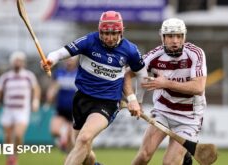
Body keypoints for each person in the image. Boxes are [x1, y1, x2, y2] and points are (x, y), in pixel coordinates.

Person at [41, 10, 147, 165]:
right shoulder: (89, 41)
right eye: (105, 33)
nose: (109, 38)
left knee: (84, 139)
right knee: (82, 150)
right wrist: (50, 60)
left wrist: (137, 100)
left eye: (114, 33)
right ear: (99, 31)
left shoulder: (130, 50)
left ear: (121, 32)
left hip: (107, 102)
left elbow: (142, 75)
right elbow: (60, 53)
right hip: (81, 99)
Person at [128, 18, 207, 165]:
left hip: (189, 117)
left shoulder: (195, 54)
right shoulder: (154, 56)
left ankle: (184, 158)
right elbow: (129, 74)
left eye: (179, 36)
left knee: (169, 163)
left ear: (184, 37)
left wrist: (166, 83)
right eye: (170, 36)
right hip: (163, 112)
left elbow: (199, 88)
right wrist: (134, 100)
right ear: (162, 37)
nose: (175, 41)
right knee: (144, 155)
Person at [0, 51, 41, 165]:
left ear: (23, 63)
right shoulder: (6, 77)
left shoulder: (29, 76)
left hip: (22, 110)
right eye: (16, 60)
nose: (18, 63)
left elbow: (36, 89)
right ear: (12, 62)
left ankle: (14, 156)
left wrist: (35, 101)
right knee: (8, 136)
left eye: (20, 61)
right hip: (8, 110)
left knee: (18, 135)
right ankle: (10, 157)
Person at [45, 56, 79, 152]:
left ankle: (68, 157)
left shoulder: (79, 73)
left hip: (75, 111)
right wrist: (50, 93)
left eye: (71, 60)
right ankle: (62, 138)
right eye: (67, 60)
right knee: (54, 130)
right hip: (61, 109)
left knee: (71, 140)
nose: (69, 62)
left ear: (75, 62)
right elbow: (53, 87)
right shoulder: (59, 73)